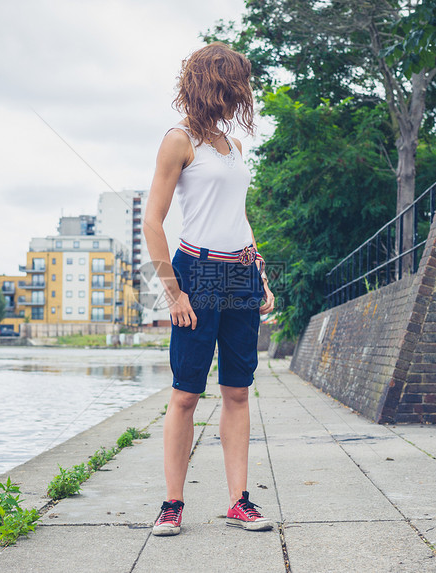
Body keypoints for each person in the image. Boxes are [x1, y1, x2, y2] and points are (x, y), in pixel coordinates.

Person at [143, 42, 275, 537]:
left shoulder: (233, 146)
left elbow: (238, 218)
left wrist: (259, 270)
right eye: (234, 83)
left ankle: (239, 502)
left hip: (240, 272)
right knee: (185, 394)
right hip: (196, 274)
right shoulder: (179, 141)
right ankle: (172, 504)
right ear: (211, 84)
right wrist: (174, 294)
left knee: (238, 392)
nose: (241, 93)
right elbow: (153, 223)